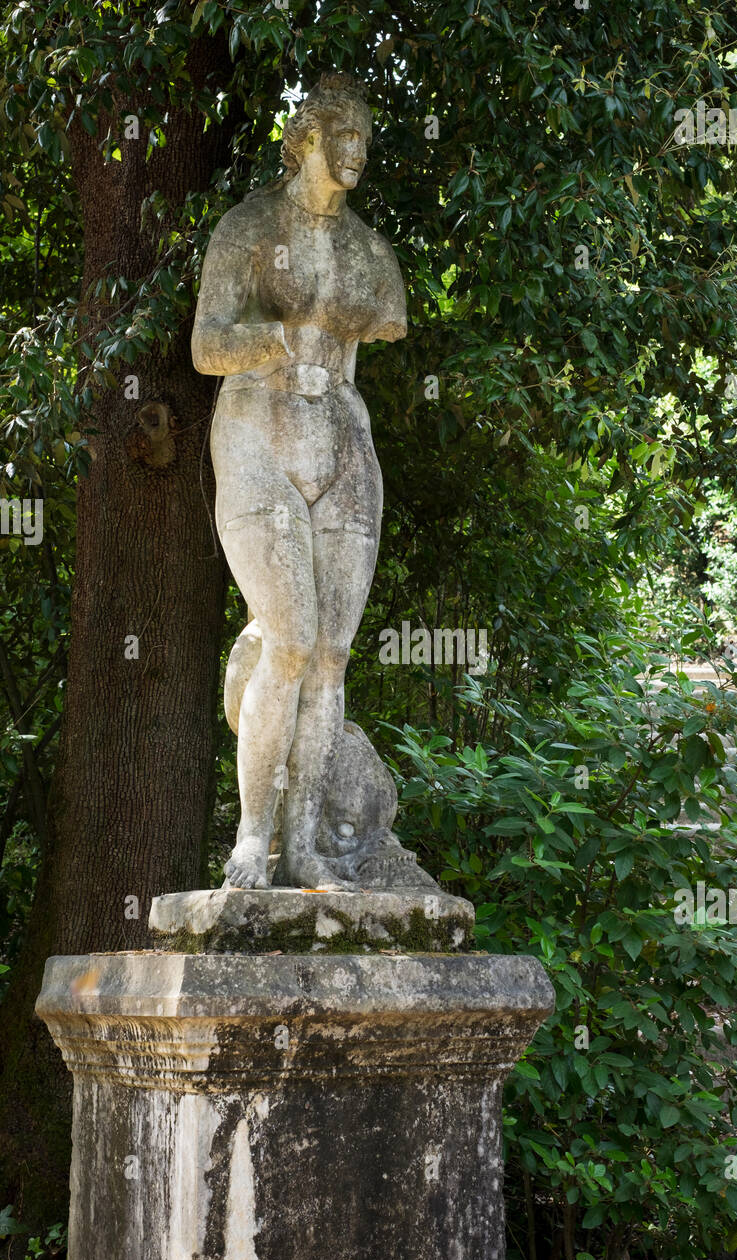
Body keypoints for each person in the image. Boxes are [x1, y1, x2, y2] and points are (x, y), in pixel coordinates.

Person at [191, 73, 406, 889]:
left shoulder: (369, 252)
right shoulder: (247, 229)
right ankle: (252, 836)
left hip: (343, 437)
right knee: (287, 640)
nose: (356, 151)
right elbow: (208, 349)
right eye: (342, 134)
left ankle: (305, 843)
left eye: (365, 137)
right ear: (306, 138)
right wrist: (277, 339)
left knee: (331, 656)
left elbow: (382, 324)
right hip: (255, 430)